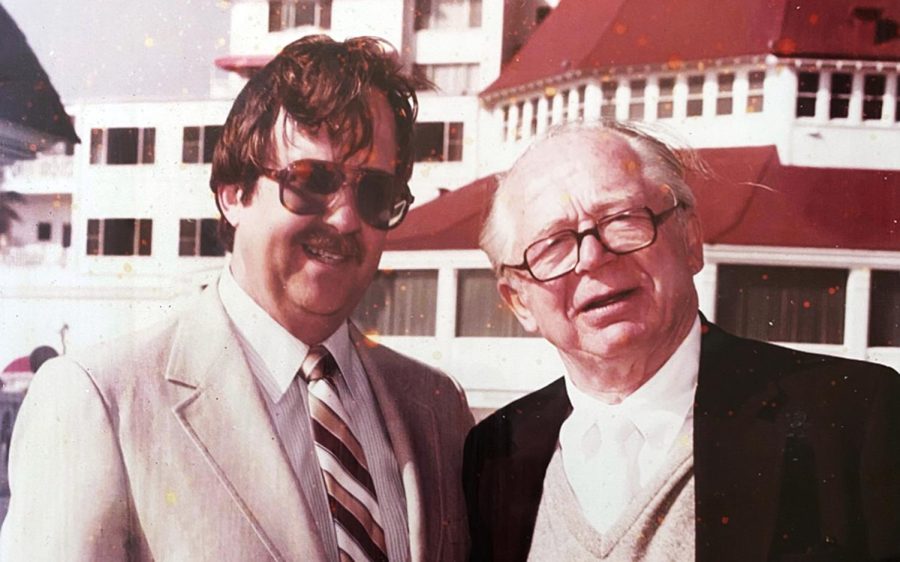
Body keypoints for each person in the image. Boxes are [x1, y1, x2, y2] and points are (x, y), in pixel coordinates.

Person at [1, 35, 474, 561]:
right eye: (312, 180)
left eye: (374, 193)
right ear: (233, 194)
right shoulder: (101, 402)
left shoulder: (436, 408)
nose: (344, 219)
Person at [463, 121, 900, 562]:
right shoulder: (496, 452)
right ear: (518, 300)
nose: (593, 258)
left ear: (690, 240)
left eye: (621, 219)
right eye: (553, 243)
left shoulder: (854, 416)